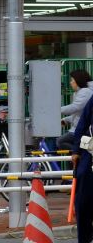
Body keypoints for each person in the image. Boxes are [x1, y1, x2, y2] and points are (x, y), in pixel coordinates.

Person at [72, 95, 93, 243]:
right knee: (82, 201)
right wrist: (76, 151)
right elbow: (83, 123)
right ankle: (85, 237)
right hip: (89, 153)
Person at [58, 69, 93, 152]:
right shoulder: (81, 91)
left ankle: (81, 153)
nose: (70, 83)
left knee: (60, 141)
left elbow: (75, 107)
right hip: (81, 128)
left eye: (72, 80)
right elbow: (79, 114)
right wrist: (66, 120)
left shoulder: (85, 92)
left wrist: (56, 110)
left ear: (78, 80)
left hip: (82, 129)